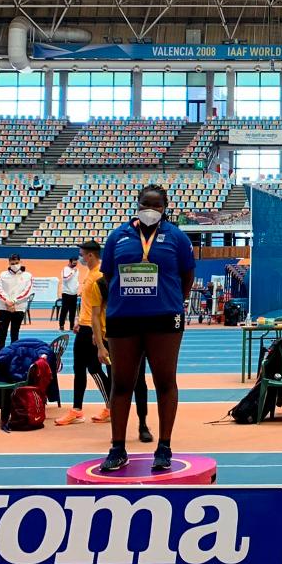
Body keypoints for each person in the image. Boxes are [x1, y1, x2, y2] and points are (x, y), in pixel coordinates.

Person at [97, 184, 195, 472]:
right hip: (124, 317)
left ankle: (163, 446)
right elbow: (108, 276)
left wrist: (174, 301)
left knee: (165, 382)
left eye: (157, 205)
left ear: (165, 207)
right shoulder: (118, 236)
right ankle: (117, 448)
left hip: (164, 318)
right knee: (122, 383)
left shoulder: (176, 237)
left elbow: (187, 276)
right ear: (137, 204)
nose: (151, 209)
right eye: (146, 204)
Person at [91, 268, 153, 441]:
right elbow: (95, 316)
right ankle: (118, 431)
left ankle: (143, 425)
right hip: (114, 341)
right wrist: (100, 346)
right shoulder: (100, 285)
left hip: (138, 339)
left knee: (139, 383)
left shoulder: (137, 279)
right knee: (116, 385)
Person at [56, 242, 110, 426]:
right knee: (79, 369)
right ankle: (77, 410)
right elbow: (88, 302)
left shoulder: (101, 275)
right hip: (84, 326)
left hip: (94, 330)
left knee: (94, 368)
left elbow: (105, 306)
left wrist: (100, 332)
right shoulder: (89, 272)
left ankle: (111, 407)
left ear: (90, 256)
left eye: (81, 255)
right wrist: (79, 320)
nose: (79, 258)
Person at [0, 253, 33, 351]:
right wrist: (7, 302)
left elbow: (27, 291)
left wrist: (14, 302)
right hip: (4, 308)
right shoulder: (2, 275)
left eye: (17, 262)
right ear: (9, 263)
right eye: (12, 263)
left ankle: (14, 359)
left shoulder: (27, 276)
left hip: (19, 308)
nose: (15, 265)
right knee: (2, 336)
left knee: (15, 335)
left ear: (20, 262)